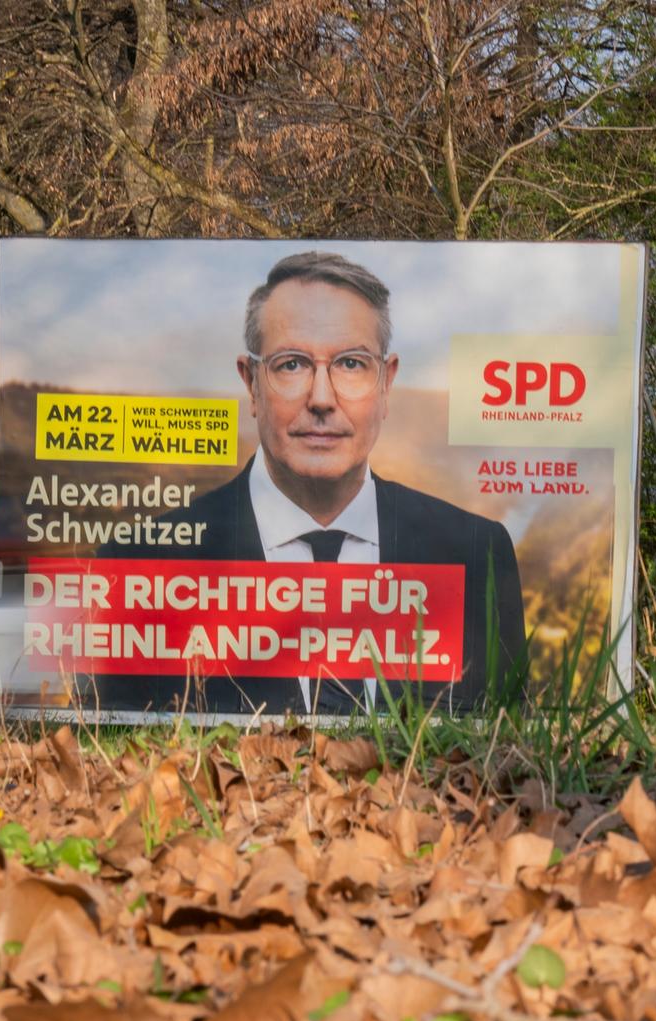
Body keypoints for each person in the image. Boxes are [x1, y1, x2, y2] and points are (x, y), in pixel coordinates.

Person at [99, 251, 527, 715]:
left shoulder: (473, 553)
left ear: (386, 384)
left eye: (350, 364)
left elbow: (506, 756)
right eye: (291, 365)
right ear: (251, 384)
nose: (322, 399)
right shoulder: (142, 567)